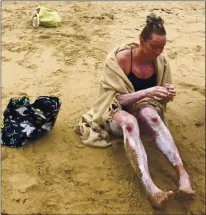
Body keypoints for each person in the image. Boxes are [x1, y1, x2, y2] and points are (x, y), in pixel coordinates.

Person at [76, 13, 195, 208]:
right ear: (141, 41)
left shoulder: (161, 62)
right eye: (154, 47)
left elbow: (162, 99)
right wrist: (147, 91)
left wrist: (167, 93)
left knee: (151, 115)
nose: (158, 52)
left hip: (144, 109)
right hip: (116, 114)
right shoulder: (118, 61)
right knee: (129, 123)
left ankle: (183, 175)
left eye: (162, 47)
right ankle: (150, 187)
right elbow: (114, 100)